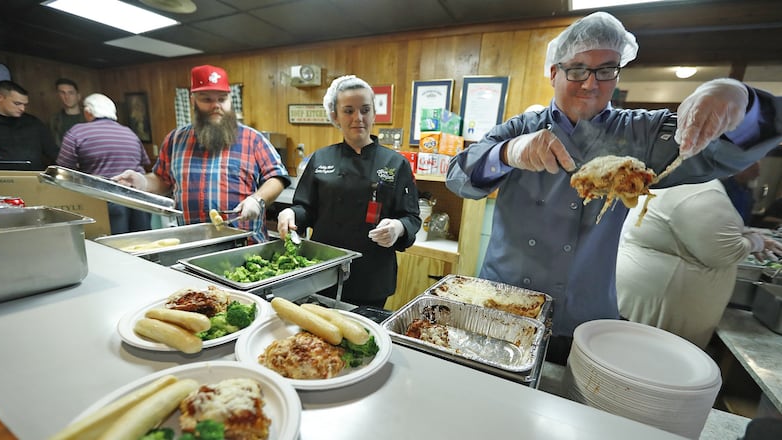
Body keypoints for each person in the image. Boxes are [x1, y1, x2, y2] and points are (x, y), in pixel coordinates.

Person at [445, 11, 782, 365]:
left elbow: (719, 155)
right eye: (577, 69)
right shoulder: (521, 128)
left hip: (583, 315)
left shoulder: (642, 134)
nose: (590, 84)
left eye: (605, 70)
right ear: (554, 72)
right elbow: (459, 176)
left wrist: (740, 101)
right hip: (505, 304)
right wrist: (508, 152)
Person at [276, 75, 421, 308]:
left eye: (365, 110)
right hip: (322, 270)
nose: (358, 118)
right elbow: (306, 208)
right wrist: (291, 214)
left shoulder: (395, 163)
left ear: (375, 113)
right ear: (335, 116)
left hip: (372, 275)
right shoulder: (321, 158)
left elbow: (411, 217)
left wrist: (398, 228)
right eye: (348, 111)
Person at [114, 65, 289, 243]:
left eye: (222, 99)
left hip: (245, 245)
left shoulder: (253, 139)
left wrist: (257, 200)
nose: (216, 106)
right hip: (191, 244)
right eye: (206, 99)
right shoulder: (175, 140)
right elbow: (163, 179)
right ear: (193, 100)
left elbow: (277, 177)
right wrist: (142, 181)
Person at [616, 180, 782, 349]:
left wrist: (744, 234)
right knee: (647, 360)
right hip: (662, 304)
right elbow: (723, 253)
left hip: (648, 297)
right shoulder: (699, 192)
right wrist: (755, 242)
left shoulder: (686, 181)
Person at [57, 93, 152, 234]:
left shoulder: (77, 132)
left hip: (106, 200)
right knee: (144, 243)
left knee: (114, 247)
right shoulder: (129, 132)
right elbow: (143, 163)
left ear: (87, 112)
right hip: (138, 199)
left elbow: (63, 172)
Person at [0, 80, 58, 170]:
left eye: (25, 105)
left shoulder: (33, 123)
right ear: (0, 97)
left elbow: (53, 151)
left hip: (32, 179)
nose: (22, 109)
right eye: (17, 103)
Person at [49, 78, 85, 146]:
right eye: (62, 93)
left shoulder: (90, 117)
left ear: (78, 96)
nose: (67, 96)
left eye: (71, 93)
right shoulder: (54, 120)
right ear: (58, 96)